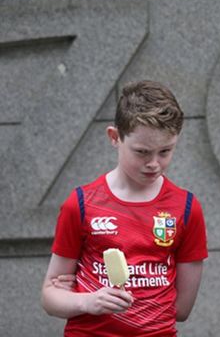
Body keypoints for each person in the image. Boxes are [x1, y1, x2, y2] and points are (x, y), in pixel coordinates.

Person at [41, 80, 208, 336]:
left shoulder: (186, 208)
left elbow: (181, 309)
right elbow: (50, 296)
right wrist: (88, 301)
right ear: (114, 137)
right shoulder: (81, 204)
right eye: (142, 152)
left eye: (165, 151)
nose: (154, 163)